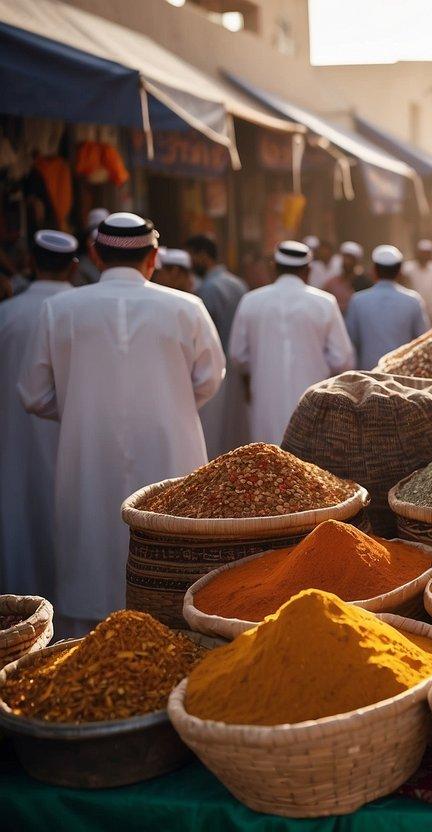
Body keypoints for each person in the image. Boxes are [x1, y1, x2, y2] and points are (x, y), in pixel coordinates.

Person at [19, 214, 224, 634]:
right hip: (171, 457)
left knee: (88, 563)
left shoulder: (59, 310)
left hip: (88, 456)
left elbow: (33, 394)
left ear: (95, 255)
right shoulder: (187, 307)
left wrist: (86, 409)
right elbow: (209, 379)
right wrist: (170, 403)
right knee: (170, 565)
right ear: (153, 258)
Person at [0, 231, 76, 600]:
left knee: (20, 517)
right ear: (75, 267)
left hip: (12, 435)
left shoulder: (6, 314)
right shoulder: (80, 310)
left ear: (31, 263)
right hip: (70, 436)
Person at [229, 241, 355, 445]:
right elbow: (342, 359)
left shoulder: (250, 301)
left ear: (274, 268)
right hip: (313, 402)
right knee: (307, 469)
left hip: (264, 399)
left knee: (267, 463)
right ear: (308, 270)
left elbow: (238, 355)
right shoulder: (325, 303)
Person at [187, 234, 249, 458]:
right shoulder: (238, 283)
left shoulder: (208, 289)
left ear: (203, 256)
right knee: (235, 430)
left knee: (213, 434)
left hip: (215, 366)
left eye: (192, 256)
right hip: (236, 368)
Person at [345, 245, 430, 370]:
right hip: (401, 375)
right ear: (400, 271)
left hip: (368, 375)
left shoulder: (358, 301)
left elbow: (351, 340)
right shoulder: (413, 300)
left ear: (374, 270)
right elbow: (424, 340)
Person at [403, 239, 432, 325]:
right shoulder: (408, 268)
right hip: (413, 311)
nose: (425, 256)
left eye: (427, 253)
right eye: (423, 253)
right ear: (418, 253)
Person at [323, 241, 370, 313]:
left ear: (357, 261)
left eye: (350, 258)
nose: (347, 262)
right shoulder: (332, 282)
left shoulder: (364, 283)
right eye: (345, 257)